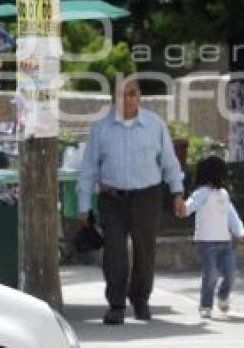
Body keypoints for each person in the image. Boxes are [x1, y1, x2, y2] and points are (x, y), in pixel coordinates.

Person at [77, 77, 185, 325]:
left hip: (147, 196)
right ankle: (116, 304)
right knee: (115, 252)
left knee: (145, 251)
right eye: (122, 95)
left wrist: (177, 193)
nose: (127, 100)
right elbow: (88, 169)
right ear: (113, 99)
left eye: (132, 94)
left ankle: (140, 300)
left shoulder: (154, 125)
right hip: (112, 199)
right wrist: (83, 205)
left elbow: (169, 162)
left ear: (140, 97)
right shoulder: (100, 129)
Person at [180, 155, 244, 318]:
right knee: (210, 274)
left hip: (226, 241)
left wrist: (241, 232)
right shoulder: (201, 193)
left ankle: (223, 296)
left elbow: (232, 215)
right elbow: (188, 207)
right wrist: (181, 207)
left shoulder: (223, 194)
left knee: (231, 273)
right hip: (206, 242)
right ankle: (206, 305)